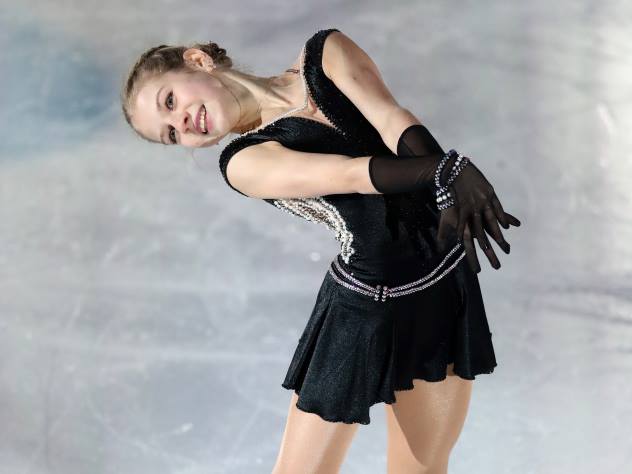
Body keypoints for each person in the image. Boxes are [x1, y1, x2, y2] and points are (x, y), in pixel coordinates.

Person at [121, 27, 521, 474]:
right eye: (170, 135)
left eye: (170, 102)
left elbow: (390, 118)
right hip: (362, 310)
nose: (180, 124)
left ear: (197, 61)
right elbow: (352, 174)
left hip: (440, 284)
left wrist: (446, 182)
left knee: (423, 467)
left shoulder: (327, 52)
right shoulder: (244, 162)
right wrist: (444, 171)